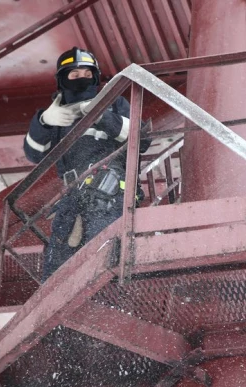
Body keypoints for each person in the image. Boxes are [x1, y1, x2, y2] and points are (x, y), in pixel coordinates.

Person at [23, 47, 150, 281]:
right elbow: (33, 153)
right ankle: (58, 314)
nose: (81, 78)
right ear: (62, 80)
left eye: (85, 73)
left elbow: (142, 139)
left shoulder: (114, 104)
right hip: (72, 198)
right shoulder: (55, 117)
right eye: (74, 75)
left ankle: (109, 304)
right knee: (57, 268)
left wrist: (102, 117)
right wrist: (44, 122)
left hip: (110, 196)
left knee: (106, 258)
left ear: (95, 76)